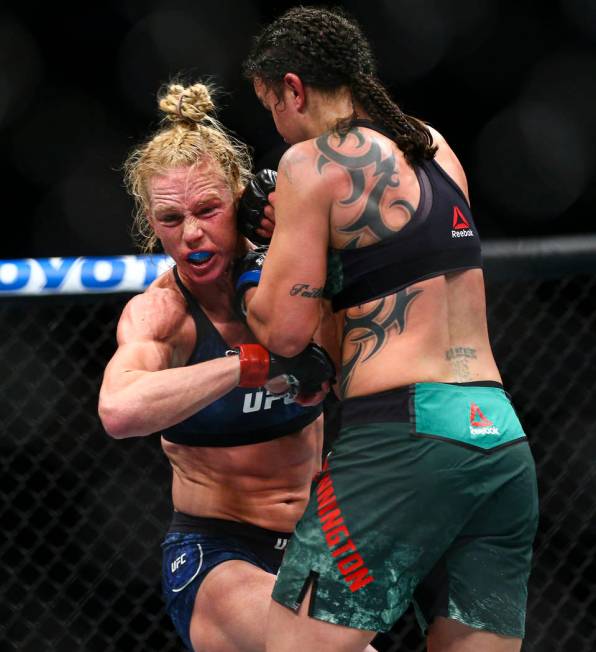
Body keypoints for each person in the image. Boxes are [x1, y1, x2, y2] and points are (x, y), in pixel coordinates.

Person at [242, 7, 539, 652]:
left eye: (272, 106)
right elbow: (394, 274)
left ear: (293, 89)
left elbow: (286, 332)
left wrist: (258, 266)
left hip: (403, 439)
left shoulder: (309, 163)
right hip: (499, 438)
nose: (277, 123)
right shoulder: (433, 146)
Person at [97, 81, 338, 652]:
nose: (192, 234)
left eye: (207, 210)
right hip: (217, 557)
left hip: (319, 543)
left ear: (241, 202)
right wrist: (244, 365)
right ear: (149, 223)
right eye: (171, 218)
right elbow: (119, 409)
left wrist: (301, 239)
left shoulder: (296, 287)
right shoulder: (162, 316)